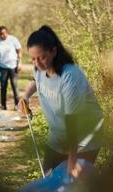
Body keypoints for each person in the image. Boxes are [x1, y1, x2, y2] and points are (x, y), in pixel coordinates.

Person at [19, 25, 103, 178]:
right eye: (33, 59)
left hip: (83, 139)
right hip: (58, 136)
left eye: (42, 57)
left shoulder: (70, 76)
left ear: (53, 51)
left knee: (72, 183)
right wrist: (26, 96)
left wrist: (72, 158)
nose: (37, 64)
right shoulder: (39, 67)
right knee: (49, 176)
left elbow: (73, 120)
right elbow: (35, 80)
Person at [0, 26, 22, 110]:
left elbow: (19, 50)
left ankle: (17, 105)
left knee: (14, 86)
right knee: (3, 86)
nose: (3, 35)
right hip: (2, 67)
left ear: (7, 32)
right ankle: (3, 105)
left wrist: (20, 62)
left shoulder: (13, 40)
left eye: (4, 33)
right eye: (1, 34)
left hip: (13, 66)